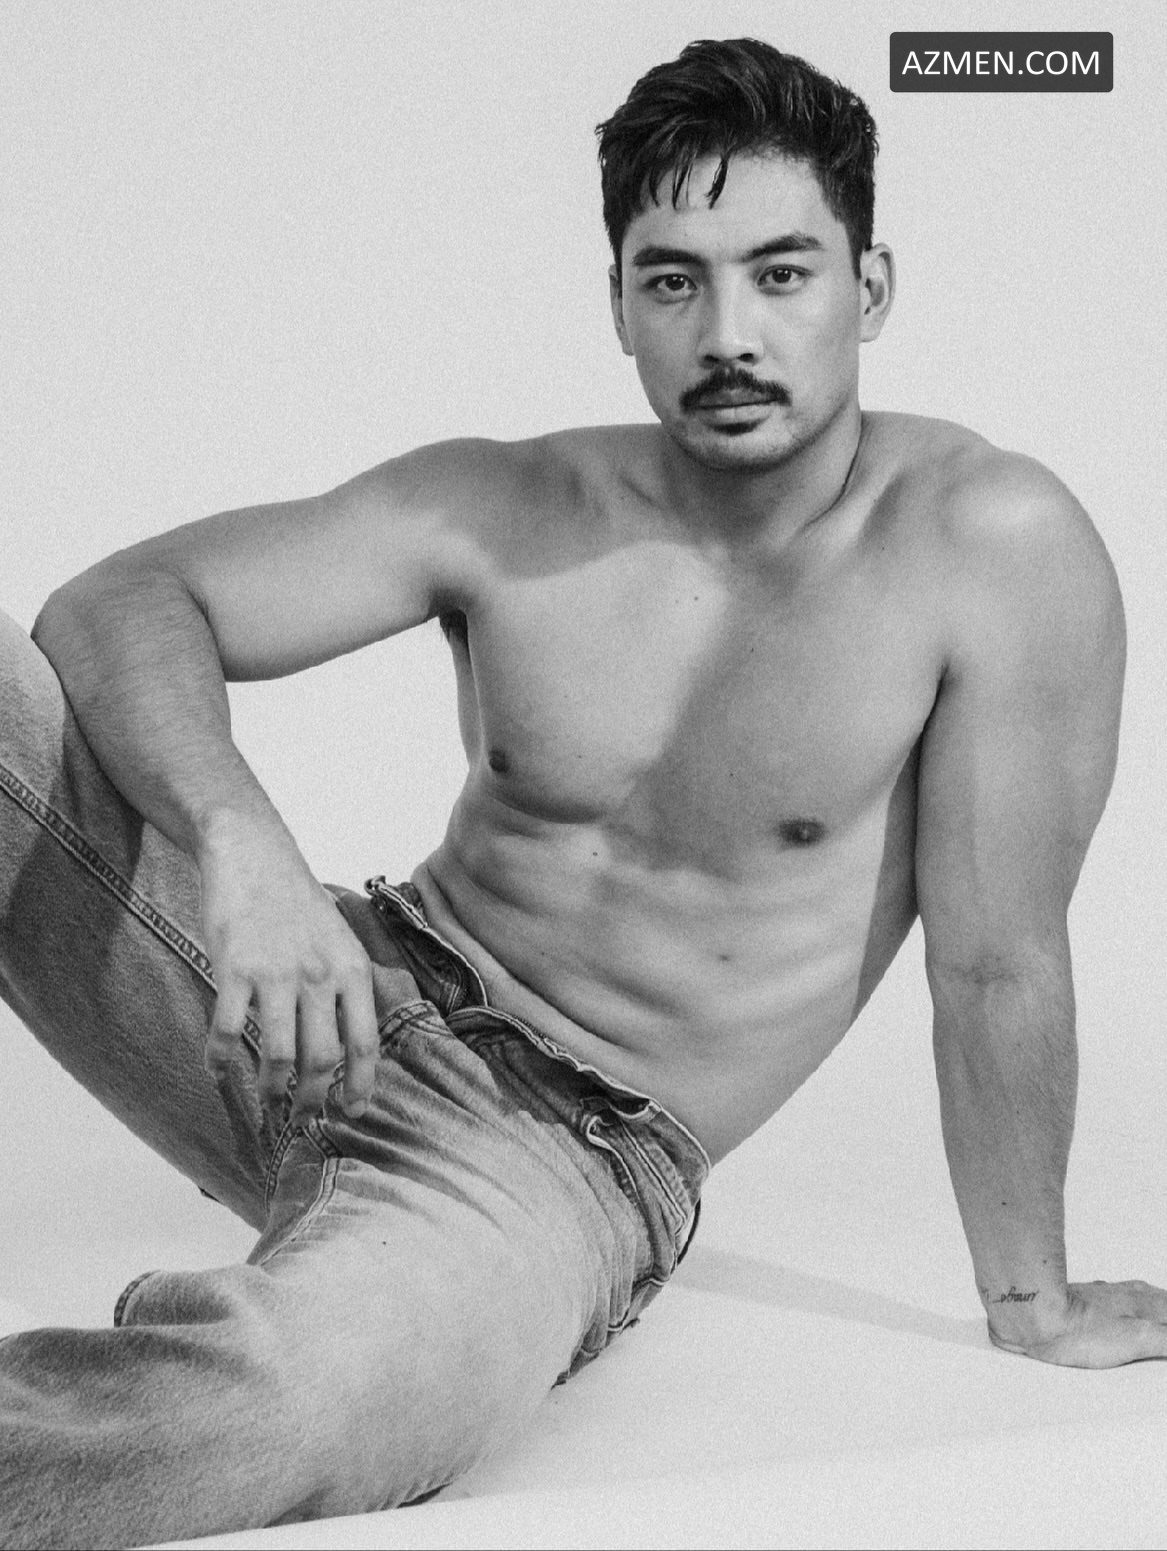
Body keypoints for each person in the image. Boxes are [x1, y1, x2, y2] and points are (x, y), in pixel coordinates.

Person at [0, 34, 1161, 1549]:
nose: (728, 333)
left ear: (870, 289)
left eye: (782, 274)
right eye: (674, 280)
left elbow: (999, 961)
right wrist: (245, 849)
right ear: (619, 302)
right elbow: (122, 602)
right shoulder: (510, 501)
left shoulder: (990, 549)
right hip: (318, 1003)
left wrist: (1032, 1299)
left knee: (296, 1411)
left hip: (560, 1159)